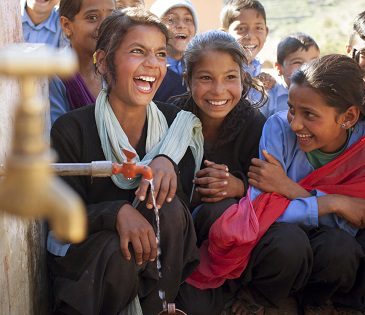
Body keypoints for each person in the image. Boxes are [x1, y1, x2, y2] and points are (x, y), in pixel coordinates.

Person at [47, 8, 204, 315]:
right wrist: (115, 213)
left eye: (160, 53)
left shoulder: (176, 127)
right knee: (116, 250)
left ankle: (159, 308)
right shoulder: (72, 129)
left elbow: (178, 224)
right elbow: (62, 218)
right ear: (103, 61)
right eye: (137, 51)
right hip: (97, 269)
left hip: (158, 271)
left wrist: (166, 159)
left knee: (168, 206)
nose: (152, 64)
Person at [170, 30, 278, 315]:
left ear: (243, 78)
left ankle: (241, 292)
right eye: (205, 78)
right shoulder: (171, 118)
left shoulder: (254, 124)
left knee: (223, 210)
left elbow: (268, 186)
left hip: (236, 247)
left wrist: (238, 186)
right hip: (185, 245)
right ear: (188, 79)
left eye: (230, 77)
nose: (218, 90)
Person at [248, 54, 365, 313]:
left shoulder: (361, 146)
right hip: (281, 241)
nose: (295, 123)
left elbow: (356, 224)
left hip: (331, 246)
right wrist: (335, 204)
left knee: (341, 248)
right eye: (291, 108)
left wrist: (288, 189)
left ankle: (320, 304)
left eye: (309, 114)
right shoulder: (278, 128)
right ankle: (263, 299)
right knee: (288, 242)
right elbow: (261, 211)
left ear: (348, 117)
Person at [49, 0, 115, 125]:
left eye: (111, 18)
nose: (105, 26)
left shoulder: (113, 69)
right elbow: (58, 135)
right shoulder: (56, 77)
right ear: (67, 25)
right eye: (92, 17)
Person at [220, 0, 272, 105]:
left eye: (258, 28)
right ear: (224, 34)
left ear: (266, 32)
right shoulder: (219, 69)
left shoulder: (259, 70)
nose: (250, 36)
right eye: (241, 28)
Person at [260, 32, 320, 118]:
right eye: (298, 62)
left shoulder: (322, 95)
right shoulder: (268, 97)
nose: (308, 67)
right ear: (279, 68)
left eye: (313, 62)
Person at [150, 0, 198, 102]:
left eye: (188, 19)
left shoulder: (198, 66)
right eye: (171, 20)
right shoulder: (149, 67)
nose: (181, 25)